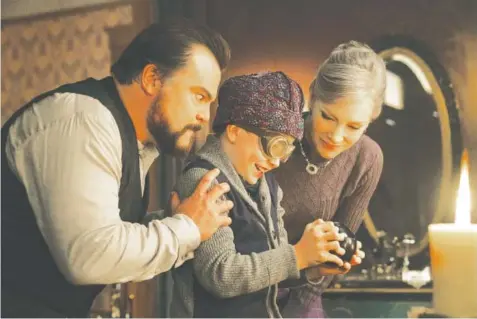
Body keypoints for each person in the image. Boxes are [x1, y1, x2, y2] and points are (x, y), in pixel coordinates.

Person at [1, 19, 234, 317]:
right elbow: (89, 256)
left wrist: (179, 220)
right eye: (199, 97)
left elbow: (108, 232)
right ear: (151, 78)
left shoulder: (135, 143)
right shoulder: (83, 120)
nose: (204, 116)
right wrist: (187, 227)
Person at [169, 71, 351, 318]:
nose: (277, 161)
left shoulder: (268, 187)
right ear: (234, 131)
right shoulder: (205, 180)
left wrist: (313, 266)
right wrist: (297, 255)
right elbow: (221, 274)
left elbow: (273, 270)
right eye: (274, 145)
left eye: (286, 150)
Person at [274, 40, 386, 318]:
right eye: (328, 116)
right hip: (240, 291)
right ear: (312, 98)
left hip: (304, 294)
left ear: (372, 118)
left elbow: (335, 248)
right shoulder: (274, 136)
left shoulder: (367, 158)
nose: (336, 137)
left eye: (354, 126)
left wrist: (300, 308)